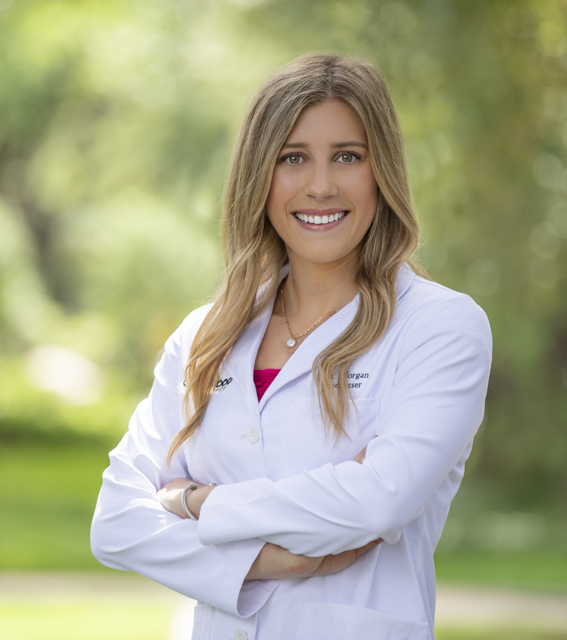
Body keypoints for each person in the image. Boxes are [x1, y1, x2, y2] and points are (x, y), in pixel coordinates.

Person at [90, 53, 492, 640]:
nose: (321, 185)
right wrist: (261, 561)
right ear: (259, 174)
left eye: (348, 156)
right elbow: (116, 524)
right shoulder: (205, 336)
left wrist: (197, 502)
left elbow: (380, 500)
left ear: (382, 172)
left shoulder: (440, 327)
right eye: (292, 157)